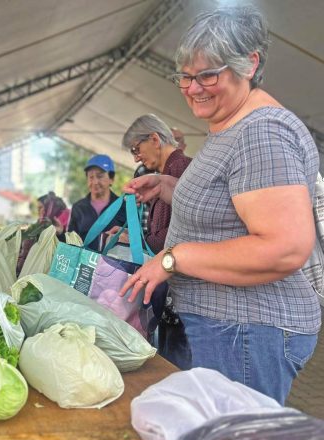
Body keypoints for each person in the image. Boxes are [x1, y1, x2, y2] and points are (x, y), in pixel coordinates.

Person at [120, 6, 320, 405]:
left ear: (249, 63)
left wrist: (173, 259)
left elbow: (285, 247)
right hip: (231, 328)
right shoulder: (233, 124)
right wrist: (167, 186)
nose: (194, 88)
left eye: (208, 75)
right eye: (185, 77)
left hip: (247, 331)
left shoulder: (262, 133)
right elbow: (230, 207)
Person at [123, 114, 192, 369]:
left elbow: (177, 235)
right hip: (174, 290)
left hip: (183, 294)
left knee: (177, 368)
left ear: (154, 139)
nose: (136, 158)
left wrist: (140, 242)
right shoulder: (167, 172)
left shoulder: (181, 169)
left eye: (136, 149)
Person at [68, 154, 127, 252]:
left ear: (111, 179)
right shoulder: (78, 207)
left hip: (111, 265)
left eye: (100, 176)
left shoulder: (122, 206)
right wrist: (60, 233)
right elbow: (70, 241)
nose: (95, 182)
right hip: (83, 264)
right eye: (91, 177)